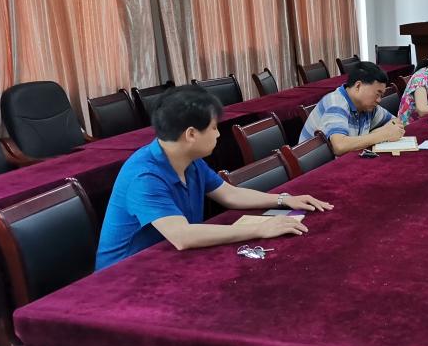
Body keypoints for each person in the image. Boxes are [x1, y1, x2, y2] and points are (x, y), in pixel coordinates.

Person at [96, 86, 333, 270]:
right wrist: (260, 228)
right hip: (126, 276)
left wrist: (283, 199)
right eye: (213, 128)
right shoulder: (144, 175)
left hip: (170, 260)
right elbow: (182, 236)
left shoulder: (188, 159)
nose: (219, 134)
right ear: (191, 134)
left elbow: (229, 194)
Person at [299, 61, 405, 155]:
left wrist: (378, 133)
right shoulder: (336, 103)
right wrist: (382, 135)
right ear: (358, 86)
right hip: (317, 168)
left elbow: (396, 122)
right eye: (377, 94)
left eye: (381, 95)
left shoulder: (367, 106)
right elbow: (339, 146)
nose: (379, 100)